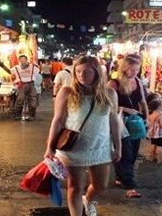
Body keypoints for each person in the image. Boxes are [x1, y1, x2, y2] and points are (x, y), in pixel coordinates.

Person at [44, 56, 122, 216]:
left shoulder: (109, 93)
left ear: (97, 73)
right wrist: (49, 147)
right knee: (75, 186)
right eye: (78, 71)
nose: (82, 75)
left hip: (100, 146)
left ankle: (89, 199)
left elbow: (114, 121)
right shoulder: (67, 92)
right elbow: (57, 121)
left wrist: (118, 146)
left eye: (87, 71)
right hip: (73, 148)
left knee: (101, 185)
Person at [107, 54, 148, 198]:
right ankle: (130, 186)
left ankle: (120, 177)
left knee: (133, 153)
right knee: (125, 153)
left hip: (135, 122)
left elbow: (143, 101)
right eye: (132, 70)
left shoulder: (137, 81)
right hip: (119, 123)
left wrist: (146, 118)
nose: (135, 73)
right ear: (124, 69)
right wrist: (124, 109)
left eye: (137, 70)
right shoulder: (114, 83)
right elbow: (107, 106)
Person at [11, 55, 38, 121]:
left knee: (32, 100)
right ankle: (17, 116)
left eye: (24, 59)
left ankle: (31, 116)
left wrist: (35, 64)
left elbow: (37, 71)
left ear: (26, 60)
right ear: (19, 60)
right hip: (21, 84)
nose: (23, 60)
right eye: (21, 59)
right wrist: (15, 81)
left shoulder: (32, 66)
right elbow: (12, 74)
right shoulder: (15, 68)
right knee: (20, 100)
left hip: (31, 84)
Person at [146, 98, 162, 163]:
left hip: (153, 133)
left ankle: (151, 156)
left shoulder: (150, 115)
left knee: (154, 144)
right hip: (160, 134)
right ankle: (160, 159)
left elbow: (149, 124)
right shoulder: (160, 114)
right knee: (160, 146)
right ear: (159, 107)